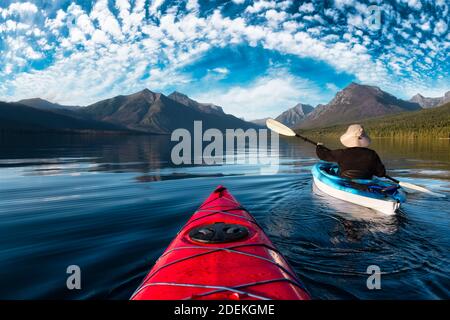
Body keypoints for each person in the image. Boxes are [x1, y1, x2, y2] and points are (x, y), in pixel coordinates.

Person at [316, 124, 386, 179]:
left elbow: (323, 156)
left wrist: (319, 146)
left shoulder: (341, 153)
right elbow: (381, 173)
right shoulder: (372, 154)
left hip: (344, 183)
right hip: (365, 185)